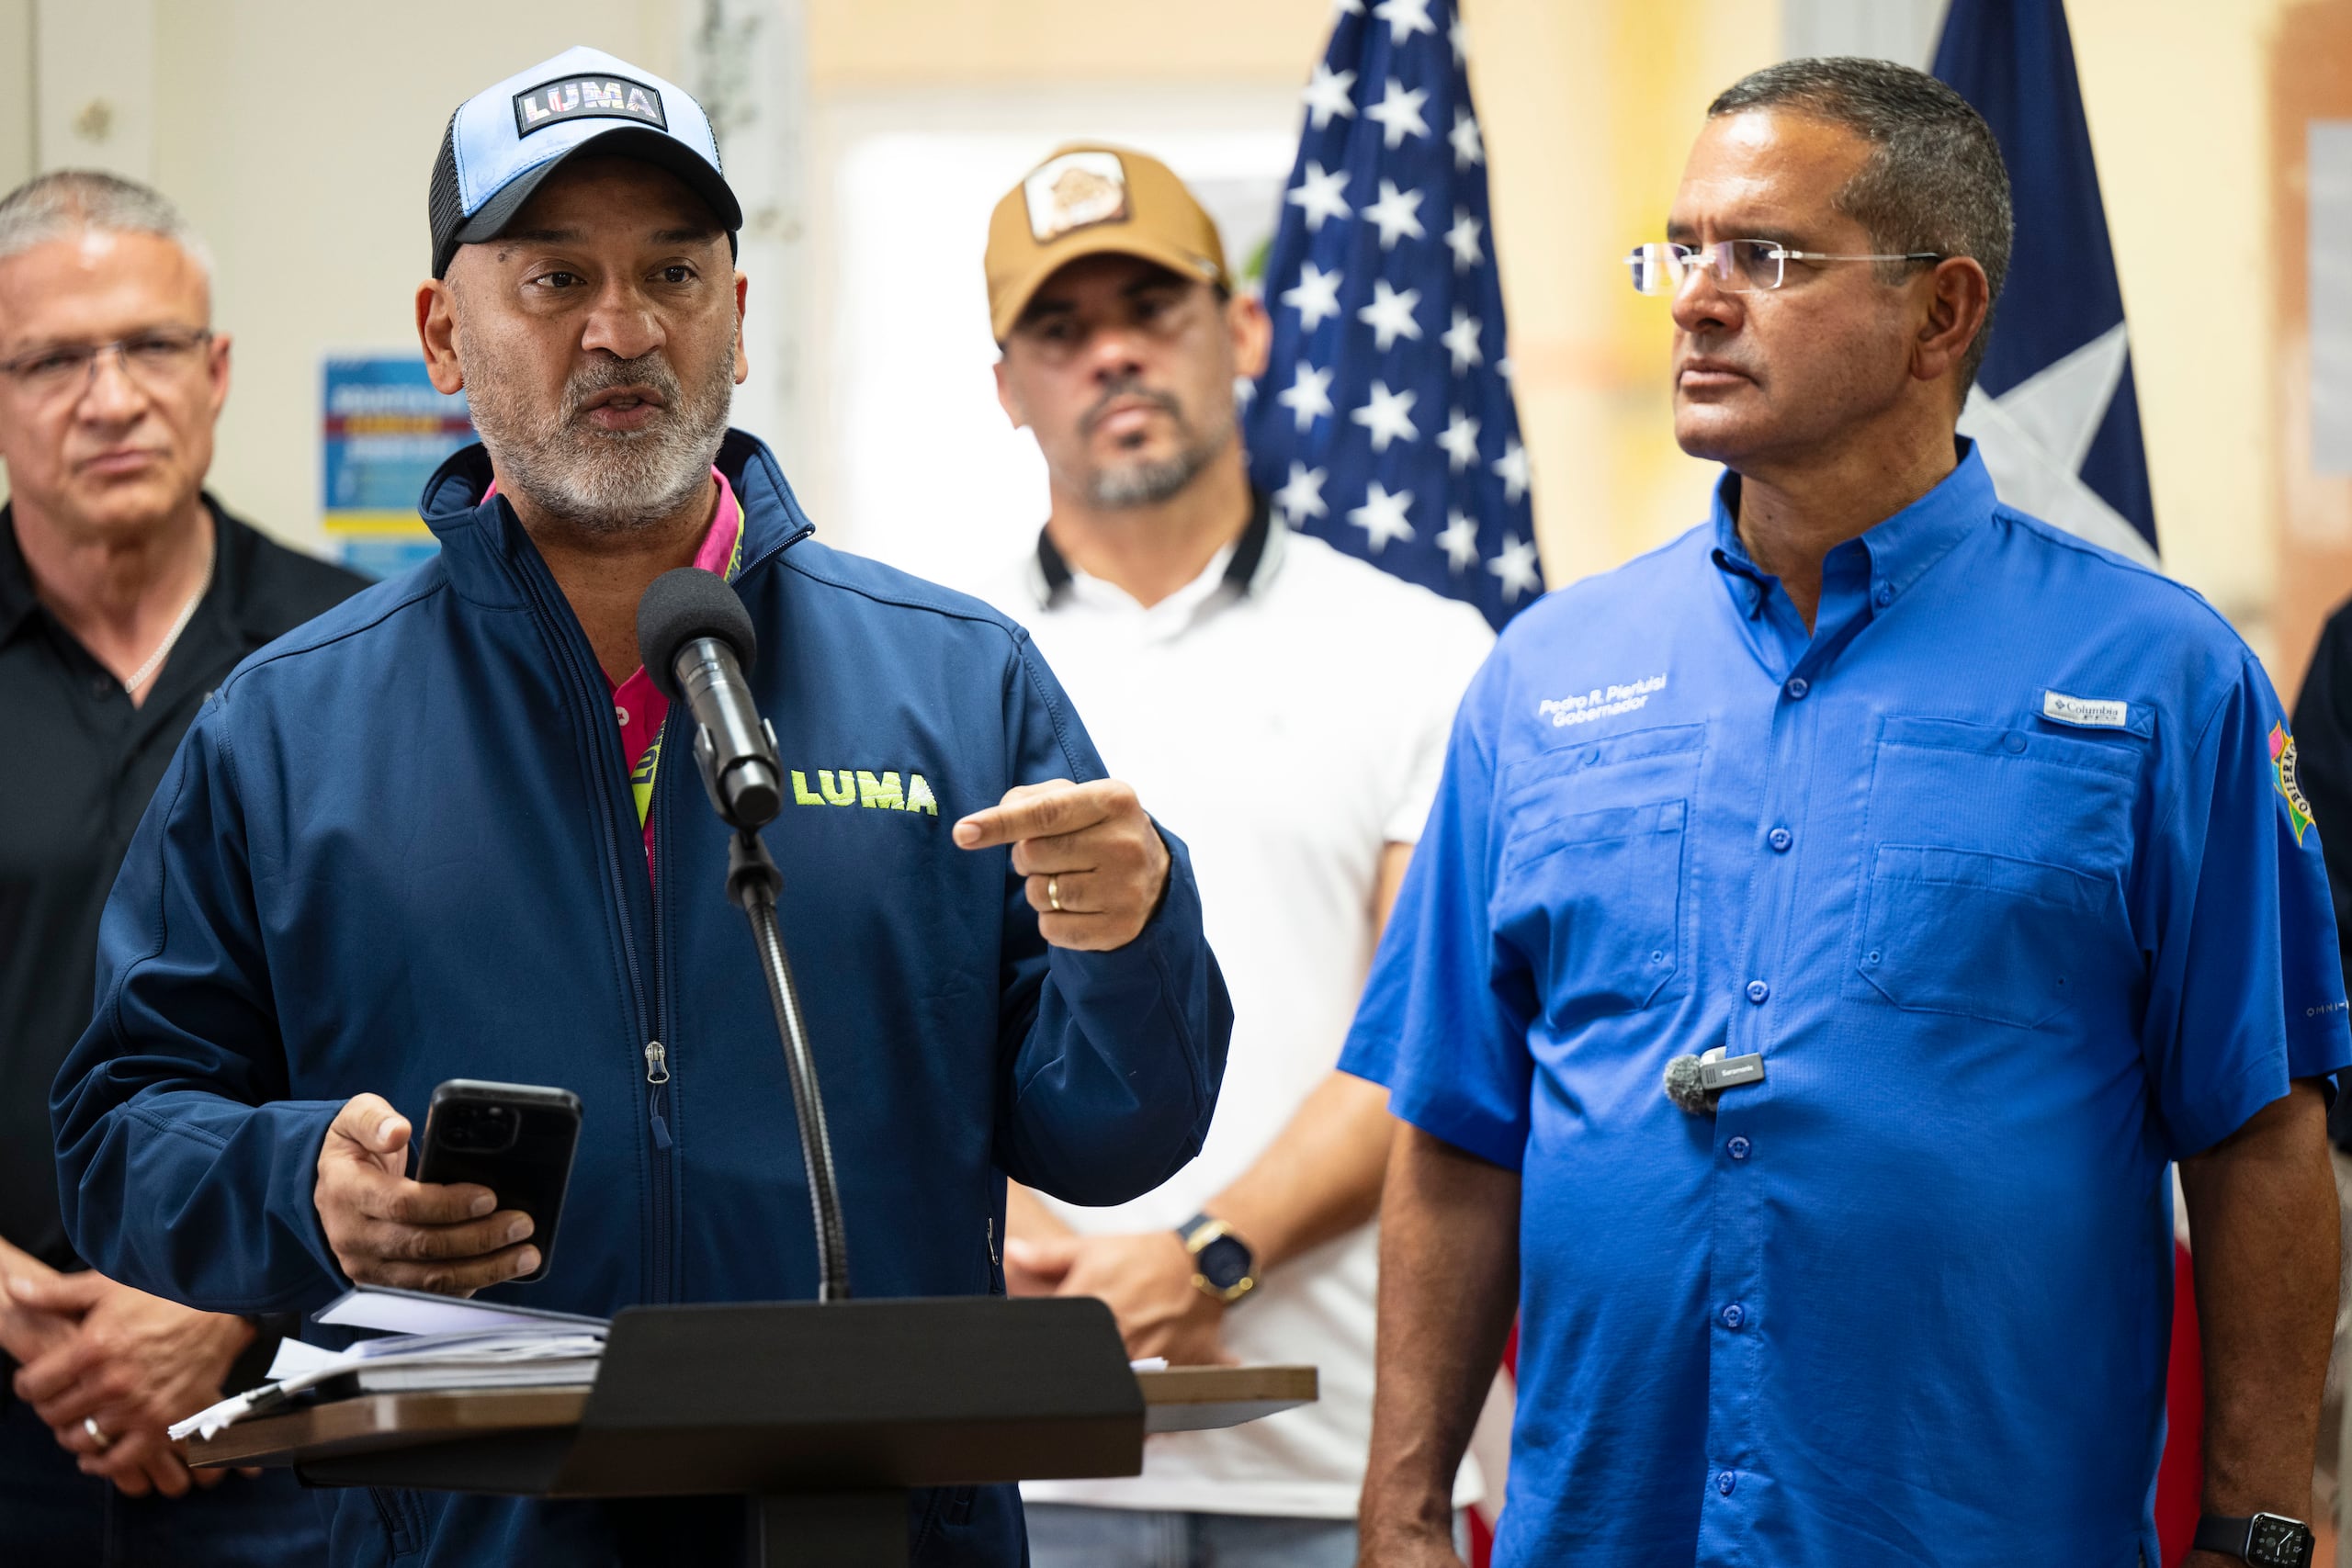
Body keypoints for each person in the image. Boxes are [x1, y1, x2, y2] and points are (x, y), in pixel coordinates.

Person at [48, 47, 1230, 1568]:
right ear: (443, 337)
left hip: (873, 1531)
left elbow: (1117, 1135)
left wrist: (1127, 937)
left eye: (673, 271)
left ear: (738, 317)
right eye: (553, 279)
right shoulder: (289, 725)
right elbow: (118, 1134)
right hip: (470, 1535)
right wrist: (302, 1187)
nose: (622, 328)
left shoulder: (956, 680)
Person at [1347, 56, 2348, 1568]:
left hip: (1983, 1529)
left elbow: (2261, 1129)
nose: (1695, 297)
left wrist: (2260, 1526)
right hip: (1611, 1532)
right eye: (1682, 250)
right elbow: (1458, 1131)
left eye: (1770, 257)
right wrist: (1407, 1507)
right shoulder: (1544, 675)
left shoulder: (2161, 675)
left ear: (1942, 313)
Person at [975, 144, 1495, 1567]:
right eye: (1062, 331)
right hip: (1020, 1466)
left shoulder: (1421, 653)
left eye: (1155, 306)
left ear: (1245, 330)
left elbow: (1430, 1032)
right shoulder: (942, 670)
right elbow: (898, 1020)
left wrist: (1207, 1253)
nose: (1115, 355)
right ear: (1008, 389)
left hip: (1340, 1468)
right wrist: (1024, 1241)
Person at [0, 170, 364, 1564]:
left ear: (215, 375)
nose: (110, 396)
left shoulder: (360, 661)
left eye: (150, 347)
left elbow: (432, 1016)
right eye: (51, 359)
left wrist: (222, 1296)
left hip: (288, 1417)